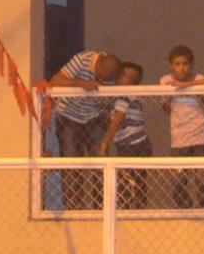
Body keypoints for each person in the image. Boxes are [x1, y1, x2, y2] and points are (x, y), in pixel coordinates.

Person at [46, 49, 129, 209]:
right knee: (71, 163)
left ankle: (102, 208)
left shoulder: (116, 76)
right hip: (68, 115)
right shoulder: (82, 59)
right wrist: (80, 83)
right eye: (100, 75)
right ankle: (74, 208)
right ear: (98, 63)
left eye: (107, 79)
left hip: (94, 117)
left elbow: (120, 108)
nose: (102, 80)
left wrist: (105, 140)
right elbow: (55, 81)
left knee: (100, 162)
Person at [158, 44, 204, 209]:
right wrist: (168, 97)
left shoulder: (200, 79)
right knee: (178, 180)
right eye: (177, 64)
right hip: (179, 138)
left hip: (201, 136)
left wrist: (199, 96)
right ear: (171, 65)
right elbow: (166, 109)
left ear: (191, 64)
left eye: (185, 64)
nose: (182, 68)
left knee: (202, 179)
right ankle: (184, 211)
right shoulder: (165, 81)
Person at [100, 62, 152, 209]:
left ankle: (130, 208)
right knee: (135, 179)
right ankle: (137, 206)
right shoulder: (126, 96)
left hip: (133, 144)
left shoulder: (123, 95)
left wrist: (104, 142)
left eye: (125, 76)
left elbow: (118, 118)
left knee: (128, 178)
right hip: (134, 142)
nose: (119, 78)